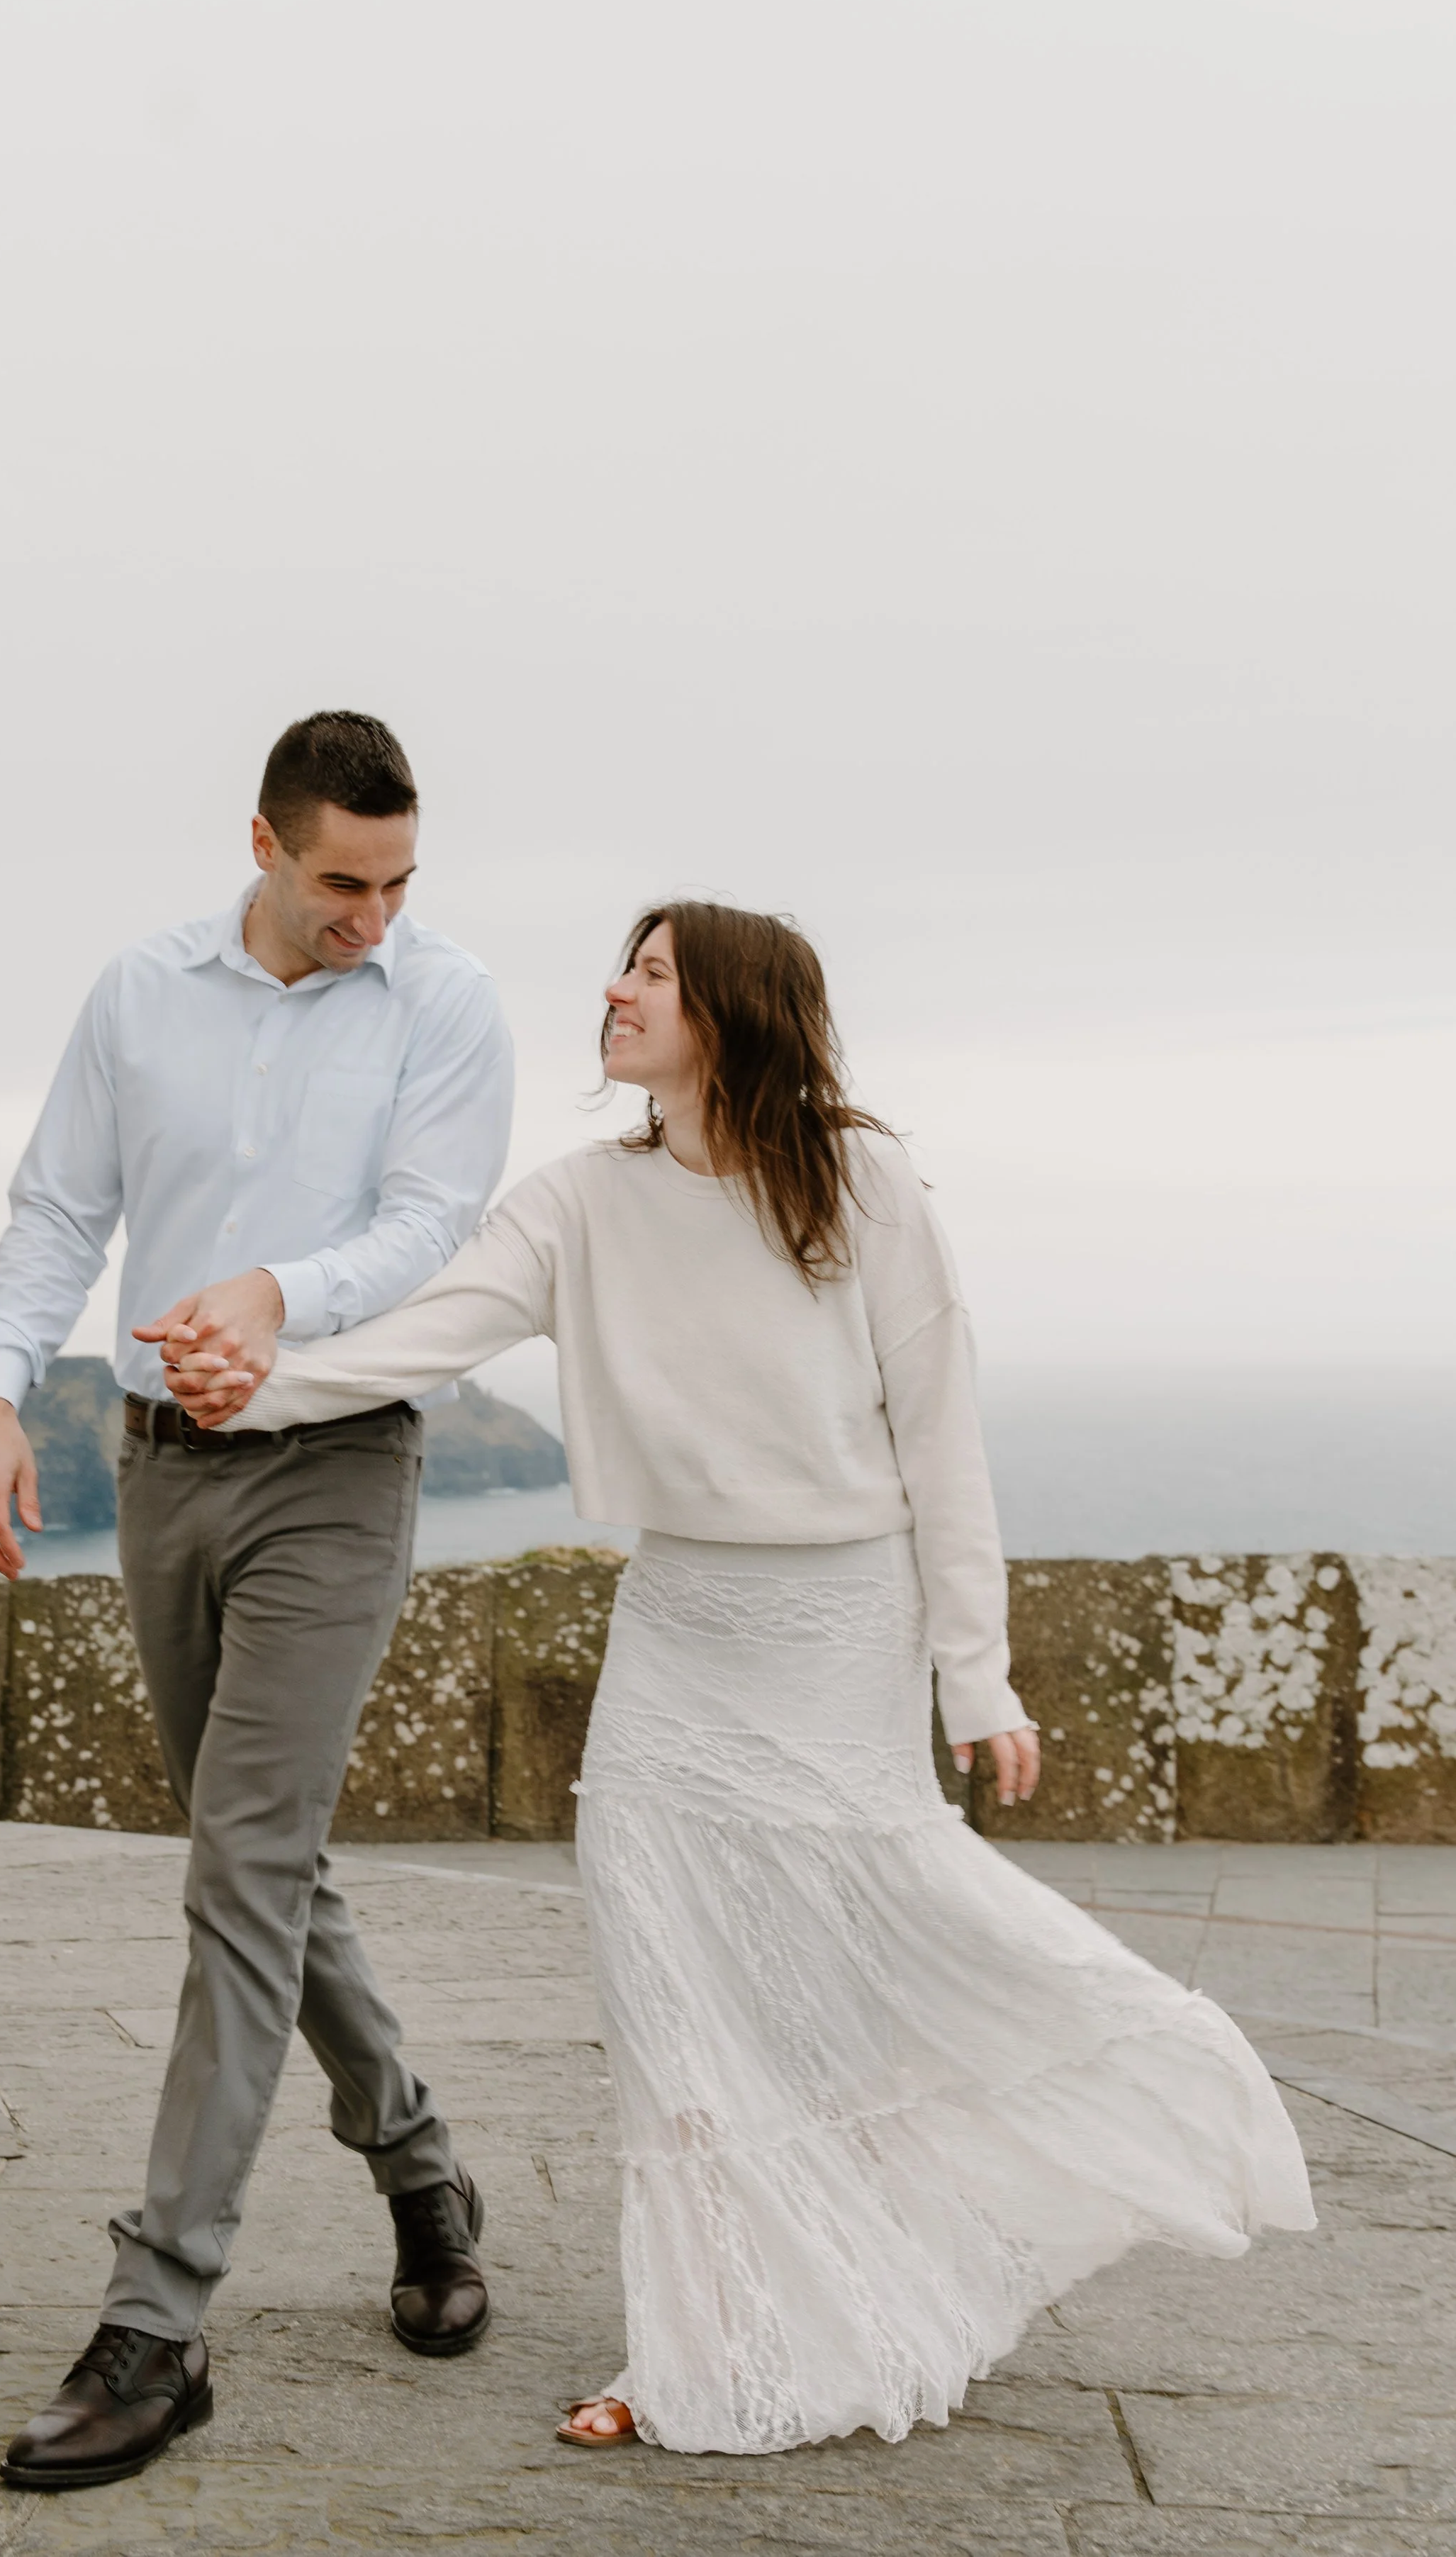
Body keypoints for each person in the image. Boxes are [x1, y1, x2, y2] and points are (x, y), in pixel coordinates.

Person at [167, 899, 1317, 2458]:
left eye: (650, 973)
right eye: (621, 969)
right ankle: (693, 2351)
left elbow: (940, 1432)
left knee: (869, 1953)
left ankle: (1148, 2091)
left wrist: (974, 1678)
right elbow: (432, 1331)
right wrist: (265, 1387)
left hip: (838, 1630)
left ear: (732, 1008)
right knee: (667, 1990)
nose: (614, 993)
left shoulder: (860, 1179)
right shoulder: (577, 1200)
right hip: (680, 1631)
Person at [0, 711, 515, 2492]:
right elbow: (60, 1206)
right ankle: (420, 2166)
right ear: (263, 845)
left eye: (399, 880)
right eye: (342, 881)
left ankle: (157, 2316)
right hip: (161, 1475)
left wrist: (273, 1293)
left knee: (244, 1870)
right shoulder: (140, 992)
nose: (374, 914)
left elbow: (431, 1222)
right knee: (257, 1859)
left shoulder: (445, 1002)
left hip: (340, 1472)